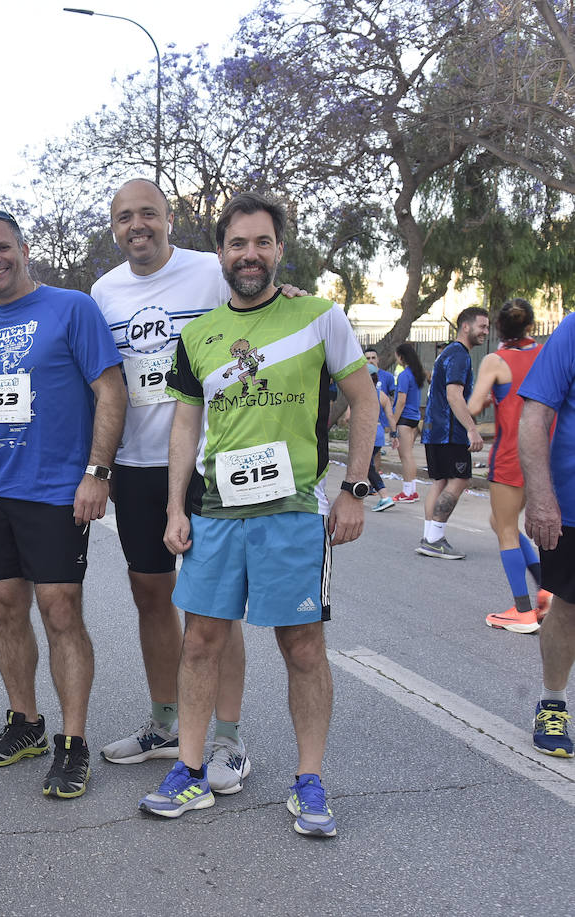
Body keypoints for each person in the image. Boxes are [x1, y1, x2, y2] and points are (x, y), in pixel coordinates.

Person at [137, 192, 376, 838]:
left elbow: (364, 397)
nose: (250, 254)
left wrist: (354, 486)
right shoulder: (198, 336)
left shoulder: (319, 315)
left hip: (294, 512)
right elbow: (186, 426)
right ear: (221, 252)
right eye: (237, 243)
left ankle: (310, 781)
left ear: (279, 248)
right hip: (216, 512)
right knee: (201, 641)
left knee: (302, 647)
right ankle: (189, 771)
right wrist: (173, 507)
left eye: (262, 242)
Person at [88, 178, 252, 795]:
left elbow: (261, 315)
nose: (138, 225)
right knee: (152, 598)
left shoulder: (211, 272)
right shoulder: (104, 292)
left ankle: (229, 740)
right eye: (125, 217)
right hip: (136, 466)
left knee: (214, 610)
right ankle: (165, 724)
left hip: (209, 463)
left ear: (169, 218)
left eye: (149, 214)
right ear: (114, 227)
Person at [0, 209, 126, 799]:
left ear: (25, 249)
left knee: (61, 613)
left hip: (57, 490)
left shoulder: (72, 308)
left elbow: (110, 388)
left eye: (3, 248)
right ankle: (25, 723)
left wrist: (96, 473)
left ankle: (73, 742)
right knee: (6, 609)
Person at [468, 299, 550, 633]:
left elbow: (473, 406)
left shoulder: (495, 360)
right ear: (530, 326)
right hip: (545, 453)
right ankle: (545, 591)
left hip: (511, 455)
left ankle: (522, 611)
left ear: (500, 327)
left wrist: (491, 397)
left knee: (505, 530)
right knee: (502, 522)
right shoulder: (545, 354)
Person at [518, 311, 575, 758]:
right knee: (569, 609)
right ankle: (552, 702)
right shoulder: (573, 328)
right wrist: (540, 497)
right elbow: (534, 415)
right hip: (573, 505)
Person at [418, 306, 490, 559]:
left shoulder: (447, 352)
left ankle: (429, 537)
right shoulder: (460, 355)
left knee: (440, 481)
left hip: (434, 431)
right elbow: (453, 394)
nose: (486, 331)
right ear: (466, 327)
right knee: (459, 480)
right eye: (482, 326)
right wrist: (472, 429)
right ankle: (435, 539)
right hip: (450, 433)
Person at [390, 342, 426, 503]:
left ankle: (407, 492)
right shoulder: (415, 374)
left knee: (405, 456)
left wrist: (393, 421)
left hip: (404, 418)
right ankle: (411, 490)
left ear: (401, 357)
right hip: (414, 417)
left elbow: (401, 401)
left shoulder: (404, 375)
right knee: (409, 455)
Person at [364, 347, 395, 512]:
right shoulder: (382, 395)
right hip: (379, 432)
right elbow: (390, 416)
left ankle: (384, 496)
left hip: (366, 432)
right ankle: (362, 492)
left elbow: (348, 416)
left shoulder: (361, 393)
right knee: (368, 466)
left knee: (367, 467)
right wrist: (394, 435)